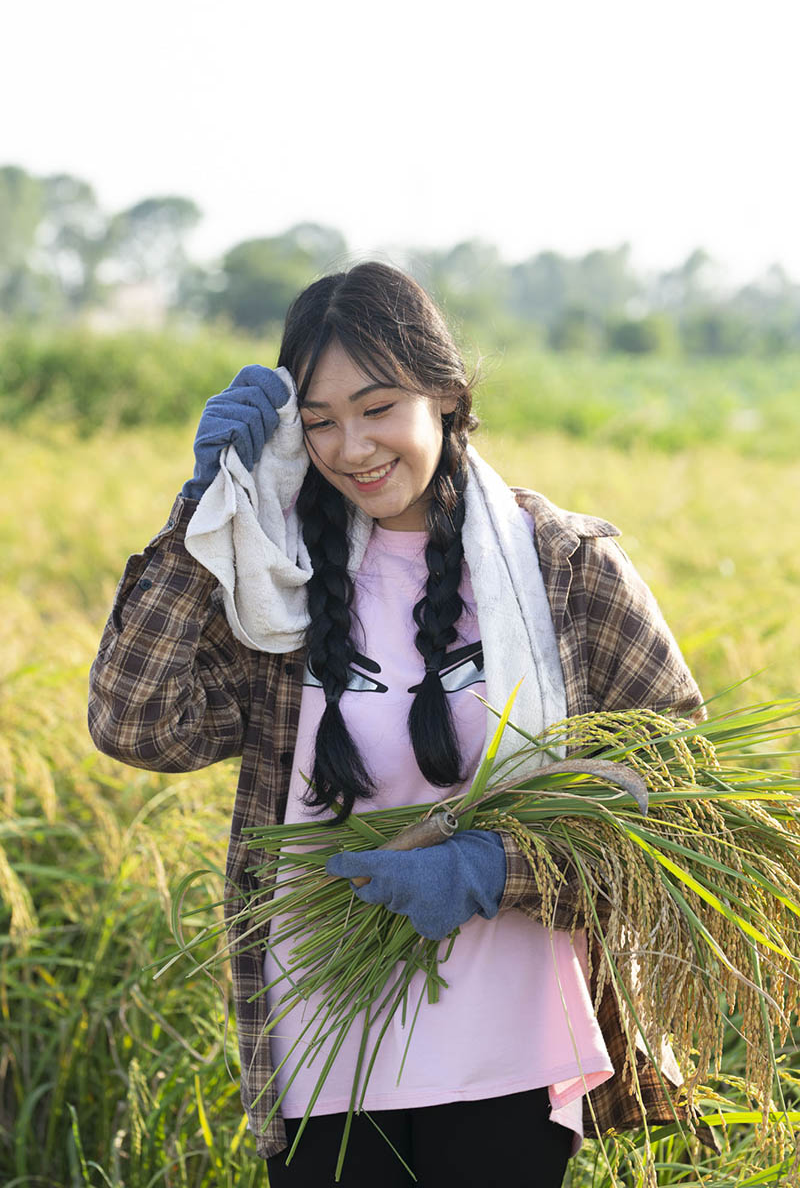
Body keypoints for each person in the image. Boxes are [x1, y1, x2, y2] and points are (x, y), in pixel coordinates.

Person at [88, 261, 704, 1187]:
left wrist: (498, 869)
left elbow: (684, 793)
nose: (352, 447)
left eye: (378, 407)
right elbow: (137, 723)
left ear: (446, 397)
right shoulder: (274, 568)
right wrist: (203, 511)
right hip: (323, 1034)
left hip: (510, 1045)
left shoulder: (565, 569)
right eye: (320, 420)